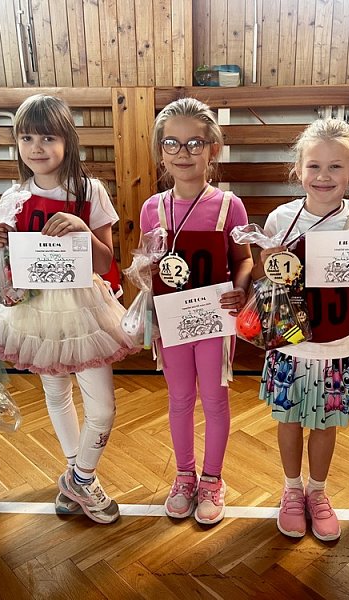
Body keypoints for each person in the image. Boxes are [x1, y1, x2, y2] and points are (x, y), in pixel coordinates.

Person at [0, 94, 138, 524]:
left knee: (102, 408)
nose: (36, 147)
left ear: (67, 141)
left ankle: (80, 476)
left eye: (47, 137)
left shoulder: (89, 191)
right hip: (35, 311)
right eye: (27, 138)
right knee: (56, 393)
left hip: (85, 308)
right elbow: (6, 268)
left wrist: (81, 229)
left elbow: (106, 263)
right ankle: (79, 475)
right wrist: (1, 248)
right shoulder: (13, 197)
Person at [256, 118, 349, 541]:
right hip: (290, 342)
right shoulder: (282, 218)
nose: (323, 176)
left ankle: (317, 492)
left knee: (325, 424)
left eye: (335, 166)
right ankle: (291, 489)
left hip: (337, 344)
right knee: (288, 419)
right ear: (298, 169)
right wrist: (268, 264)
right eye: (314, 166)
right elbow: (266, 282)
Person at [139, 98, 253, 525]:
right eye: (172, 143)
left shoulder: (229, 205)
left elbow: (243, 260)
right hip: (172, 321)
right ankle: (184, 475)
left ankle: (212, 478)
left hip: (213, 320)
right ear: (161, 151)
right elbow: (149, 264)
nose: (183, 153)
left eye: (194, 143)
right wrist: (146, 291)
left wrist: (240, 289)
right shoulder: (152, 207)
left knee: (215, 399)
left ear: (213, 149)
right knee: (180, 399)